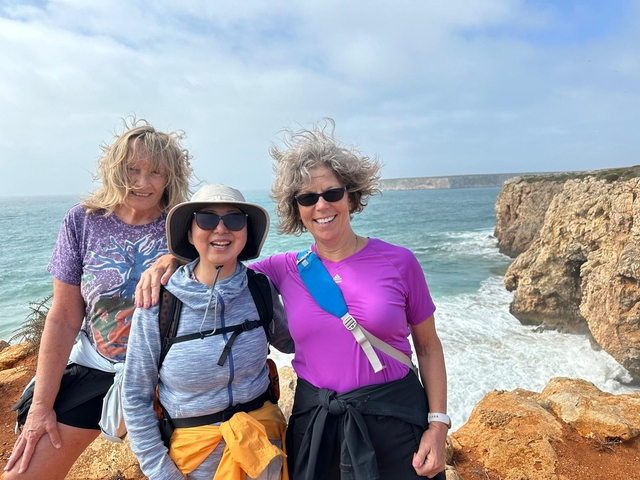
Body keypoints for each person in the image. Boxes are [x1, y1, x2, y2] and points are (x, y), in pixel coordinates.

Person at [137, 119, 448, 479]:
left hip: (394, 419)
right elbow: (220, 257)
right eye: (307, 198)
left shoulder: (399, 261)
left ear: (351, 196)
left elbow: (428, 347)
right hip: (316, 423)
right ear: (296, 208)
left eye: (332, 193)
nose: (321, 205)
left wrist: (438, 425)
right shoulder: (282, 269)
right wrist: (170, 260)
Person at [3, 117, 193, 480]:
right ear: (114, 170)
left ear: (170, 177)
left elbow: (223, 260)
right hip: (98, 366)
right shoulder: (83, 221)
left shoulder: (182, 225)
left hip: (165, 377)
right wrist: (42, 406)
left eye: (155, 172)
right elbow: (62, 318)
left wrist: (176, 257)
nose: (142, 181)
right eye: (132, 169)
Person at [122, 184, 294, 480]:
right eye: (207, 219)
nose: (221, 229)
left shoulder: (260, 289)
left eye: (235, 220)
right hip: (191, 466)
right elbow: (136, 395)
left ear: (246, 233)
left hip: (265, 454)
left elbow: (294, 343)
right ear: (190, 233)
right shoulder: (158, 303)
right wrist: (162, 473)